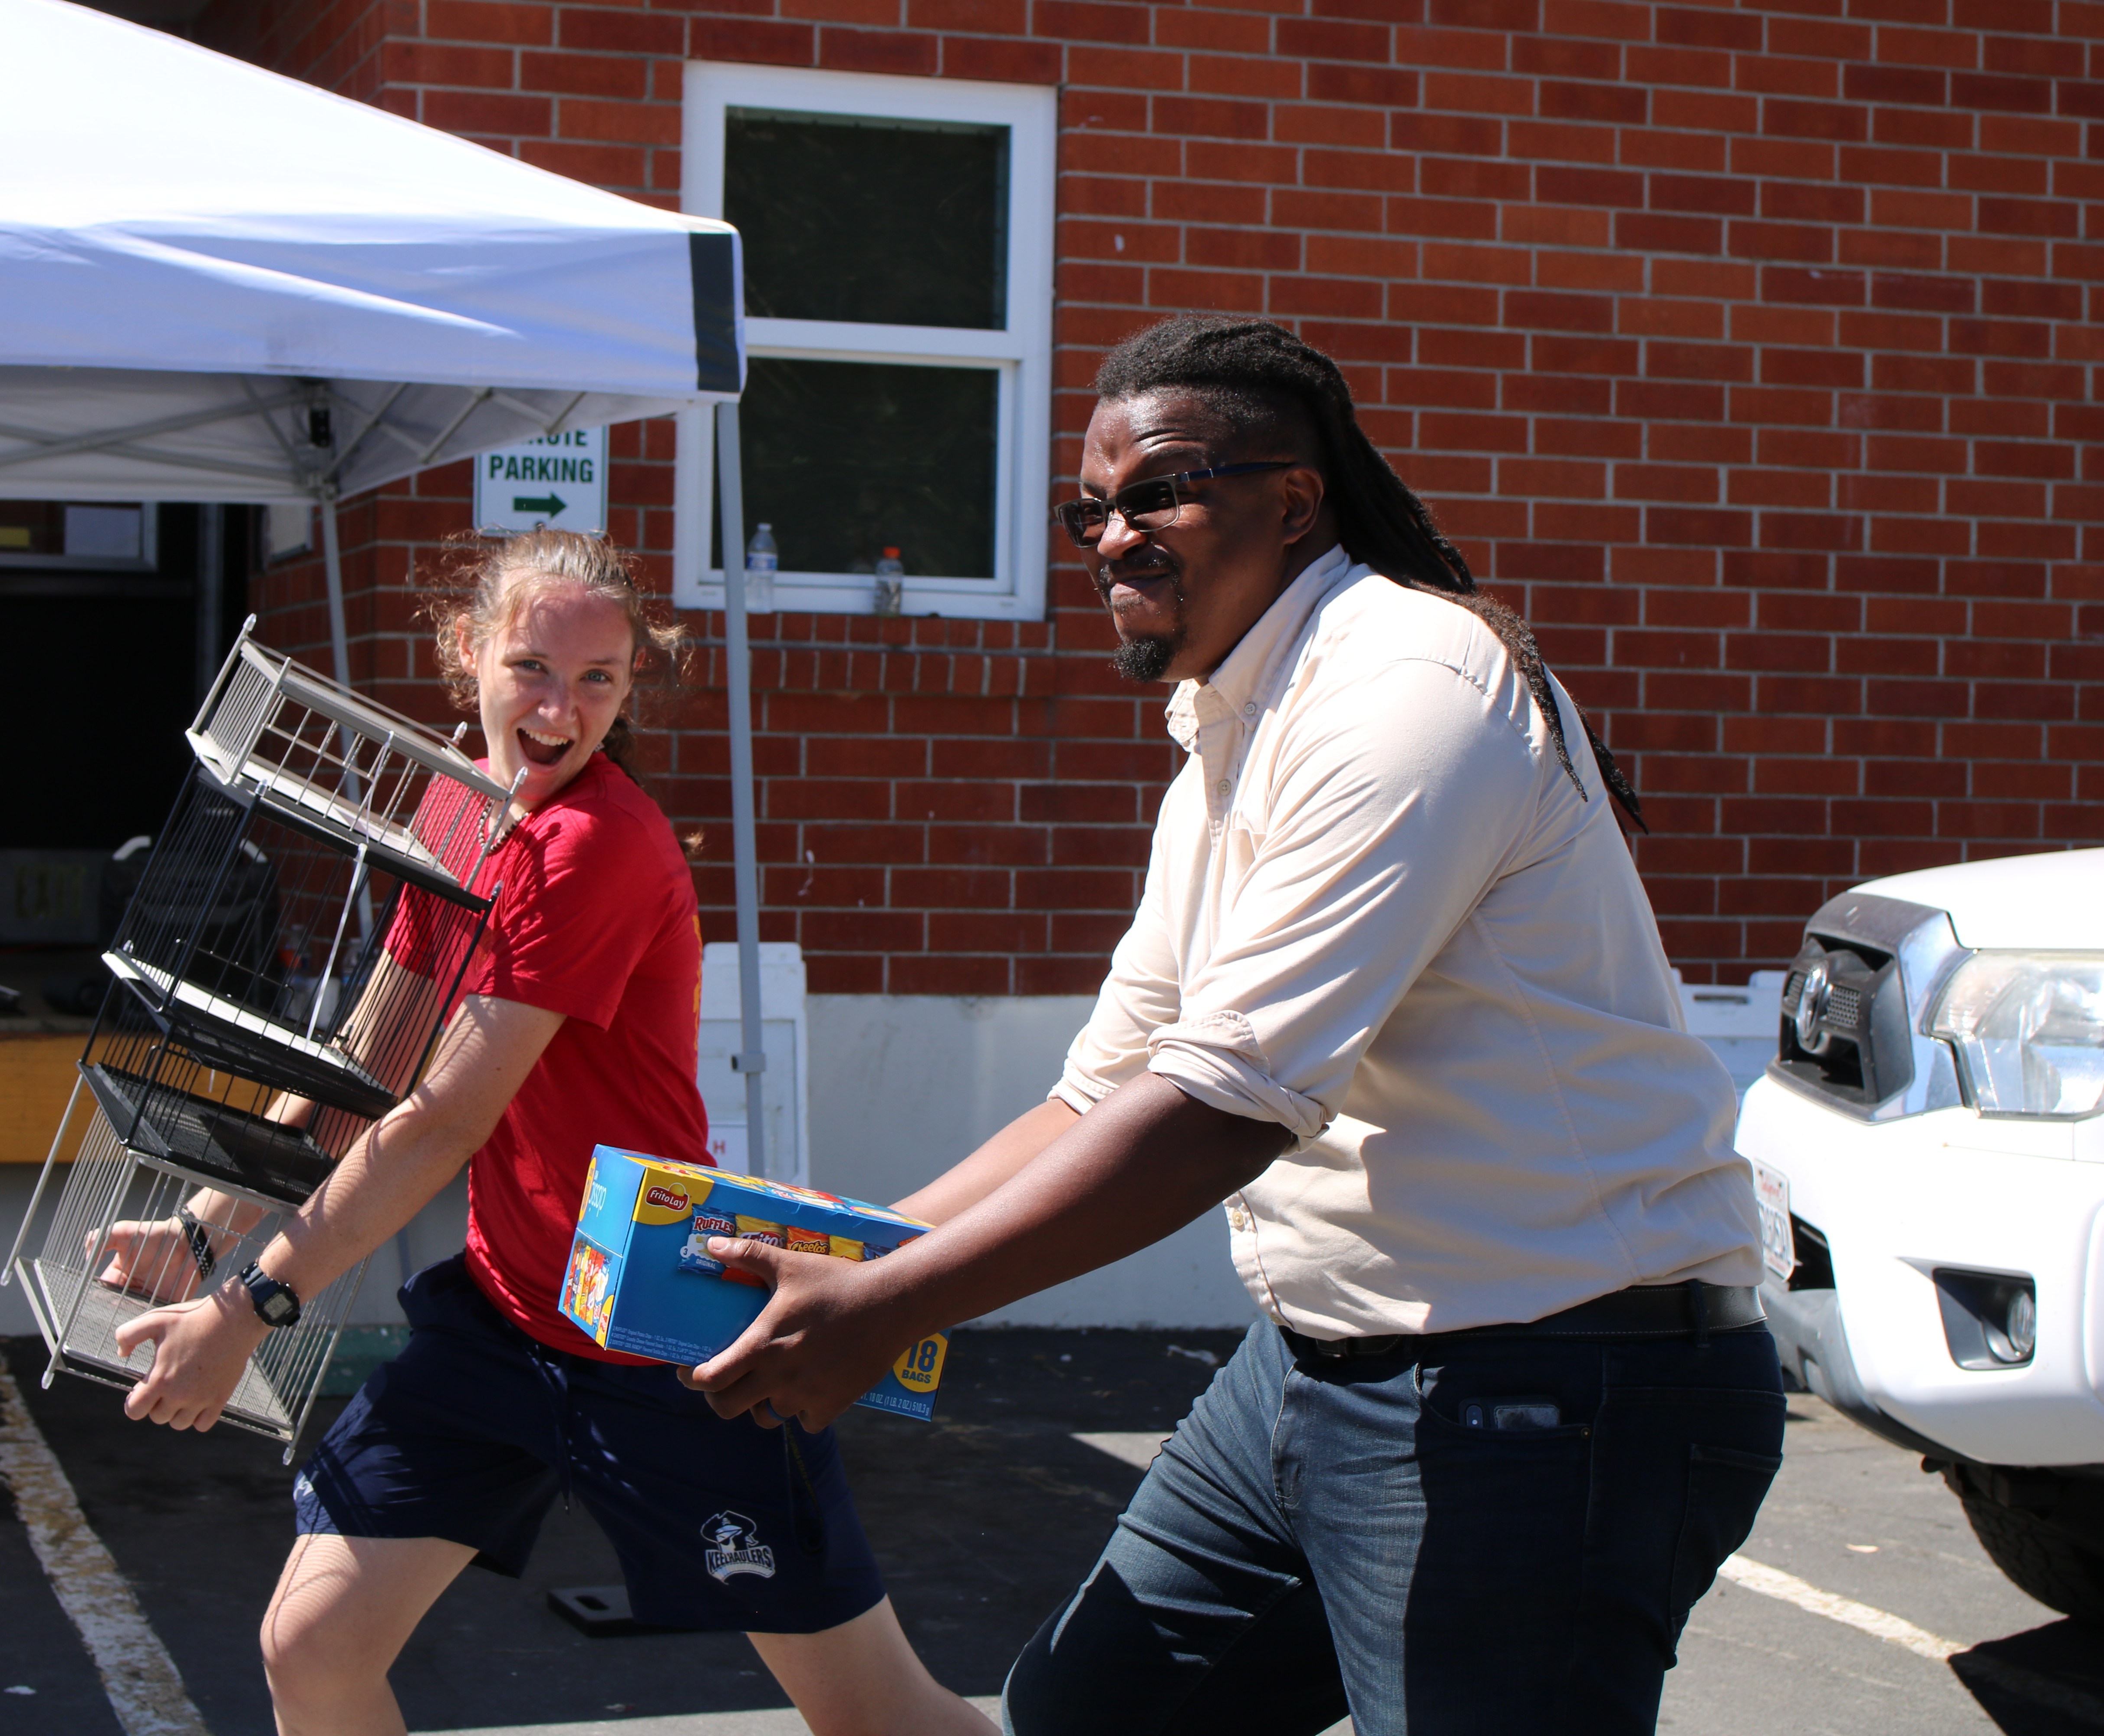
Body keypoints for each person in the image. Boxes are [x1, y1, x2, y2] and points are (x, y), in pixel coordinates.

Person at [680, 318, 1785, 1735]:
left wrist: (891, 1312)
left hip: (1557, 1384)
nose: (1112, 537)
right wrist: (848, 1251)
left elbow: (1224, 1105)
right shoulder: (1230, 729)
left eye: (1160, 493)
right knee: (1088, 1716)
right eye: (1090, 509)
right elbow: (1105, 1092)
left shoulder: (1406, 697)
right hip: (1323, 1363)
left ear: (1294, 500)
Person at [100, 531, 990, 1736]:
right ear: (464, 653)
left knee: (881, 1717)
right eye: (531, 667)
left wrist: (244, 1310)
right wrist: (205, 1226)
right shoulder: (460, 807)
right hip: (514, 1318)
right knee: (310, 1647)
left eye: (600, 681)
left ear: (631, 686)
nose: (562, 709)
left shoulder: (597, 847)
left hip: (661, 1334)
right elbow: (371, 1056)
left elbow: (438, 1124)